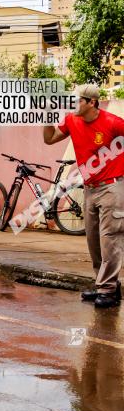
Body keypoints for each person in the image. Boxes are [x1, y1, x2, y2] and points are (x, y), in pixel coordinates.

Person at [44, 83, 124, 308]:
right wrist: (47, 117)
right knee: (93, 239)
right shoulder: (71, 120)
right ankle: (105, 284)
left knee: (110, 238)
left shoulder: (113, 123)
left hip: (113, 187)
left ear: (91, 102)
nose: (72, 104)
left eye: (77, 100)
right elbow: (49, 139)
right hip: (90, 187)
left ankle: (107, 289)